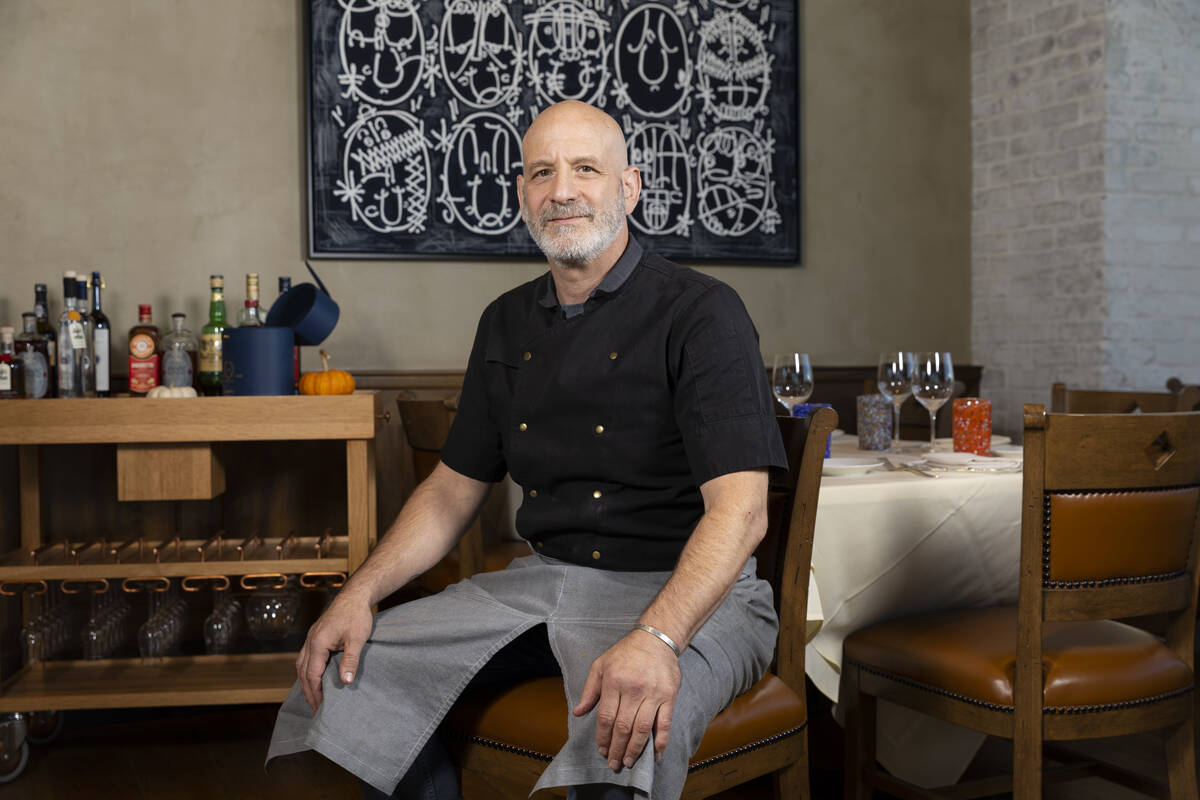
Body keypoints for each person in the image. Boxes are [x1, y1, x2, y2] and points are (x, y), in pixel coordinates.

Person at [267, 100, 787, 800]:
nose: (562, 190)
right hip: (541, 584)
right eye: (542, 172)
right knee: (342, 675)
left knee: (622, 736)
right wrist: (358, 593)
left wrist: (659, 639)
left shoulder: (702, 312)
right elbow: (453, 489)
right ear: (522, 195)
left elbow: (741, 514)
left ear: (629, 187)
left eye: (585, 169)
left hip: (693, 597)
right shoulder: (506, 321)